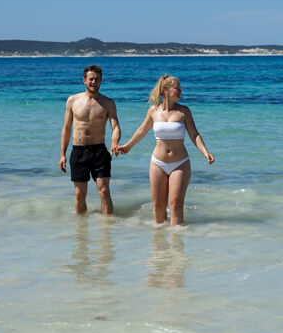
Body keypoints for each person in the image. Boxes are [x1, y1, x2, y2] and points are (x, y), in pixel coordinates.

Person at [116, 74, 214, 225]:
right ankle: (159, 243)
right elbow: (142, 130)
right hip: (158, 163)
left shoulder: (184, 112)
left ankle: (176, 243)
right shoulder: (153, 111)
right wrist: (128, 146)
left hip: (180, 163)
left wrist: (205, 152)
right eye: (177, 88)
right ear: (166, 90)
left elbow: (194, 134)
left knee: (175, 205)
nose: (181, 91)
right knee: (158, 206)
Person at [59, 65, 120, 215]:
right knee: (80, 194)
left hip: (99, 151)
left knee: (104, 190)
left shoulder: (108, 103)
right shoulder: (73, 101)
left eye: (97, 79)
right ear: (84, 80)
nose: (94, 82)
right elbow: (66, 129)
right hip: (79, 151)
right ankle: (81, 231)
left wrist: (114, 142)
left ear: (101, 81)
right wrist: (62, 154)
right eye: (91, 79)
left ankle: (108, 229)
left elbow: (116, 126)